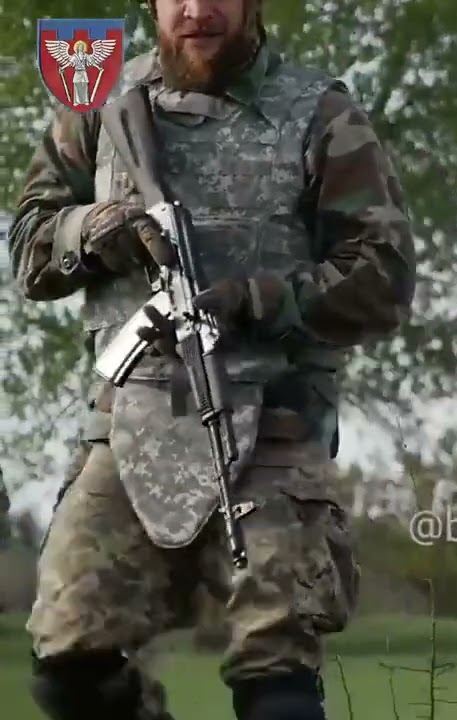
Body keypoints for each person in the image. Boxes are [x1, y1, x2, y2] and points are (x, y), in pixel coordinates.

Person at [9, 0, 415, 716]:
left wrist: (261, 299)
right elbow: (30, 246)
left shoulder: (321, 114)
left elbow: (384, 277)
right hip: (127, 423)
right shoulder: (100, 102)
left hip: (272, 426)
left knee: (276, 678)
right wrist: (100, 228)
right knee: (67, 660)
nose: (198, 11)